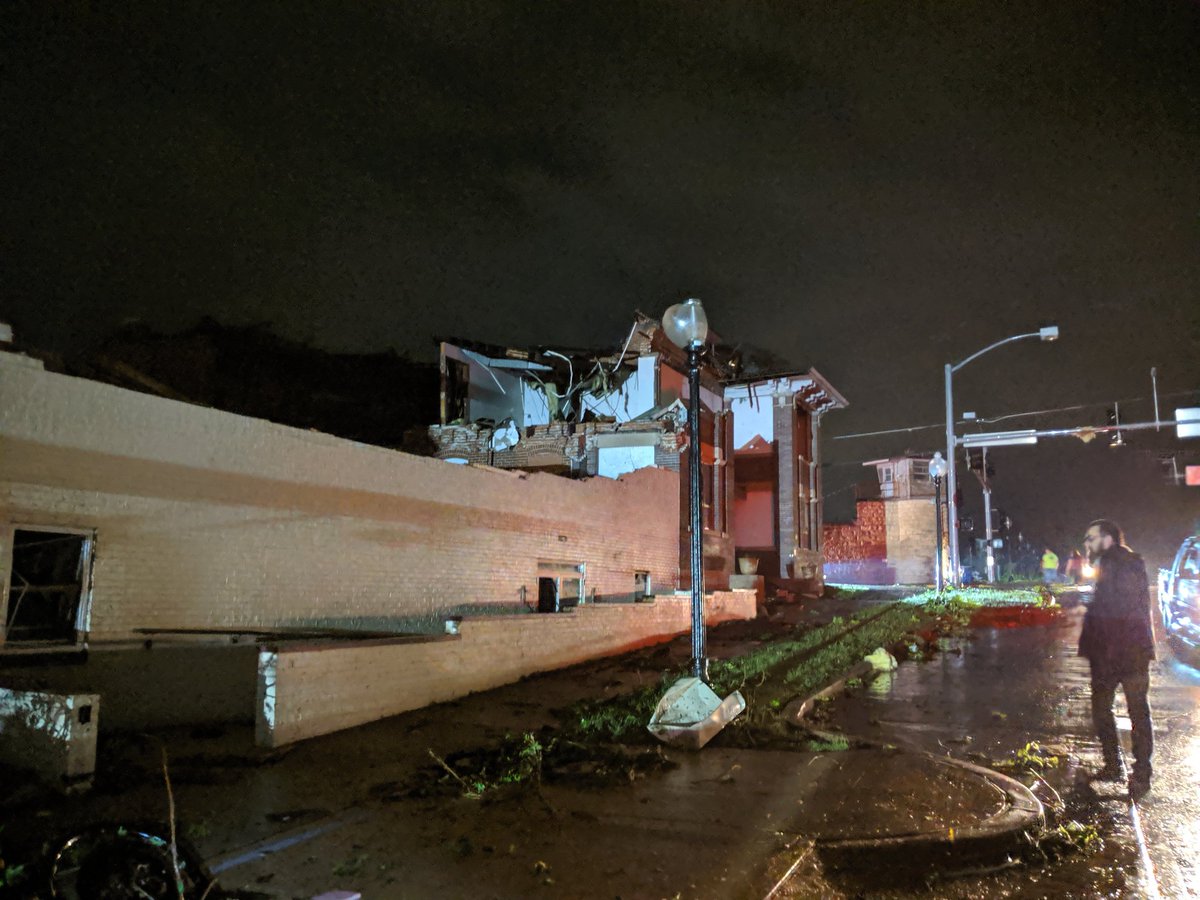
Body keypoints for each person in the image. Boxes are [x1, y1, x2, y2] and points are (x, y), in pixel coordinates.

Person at [1078, 519, 1155, 797]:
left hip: (1118, 652)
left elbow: (1115, 608)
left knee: (1113, 710)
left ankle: (1127, 770)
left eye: (1091, 538)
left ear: (1107, 538)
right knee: (1132, 711)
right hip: (1130, 651)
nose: (1087, 543)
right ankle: (1130, 769)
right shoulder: (1124, 562)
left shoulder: (1117, 564)